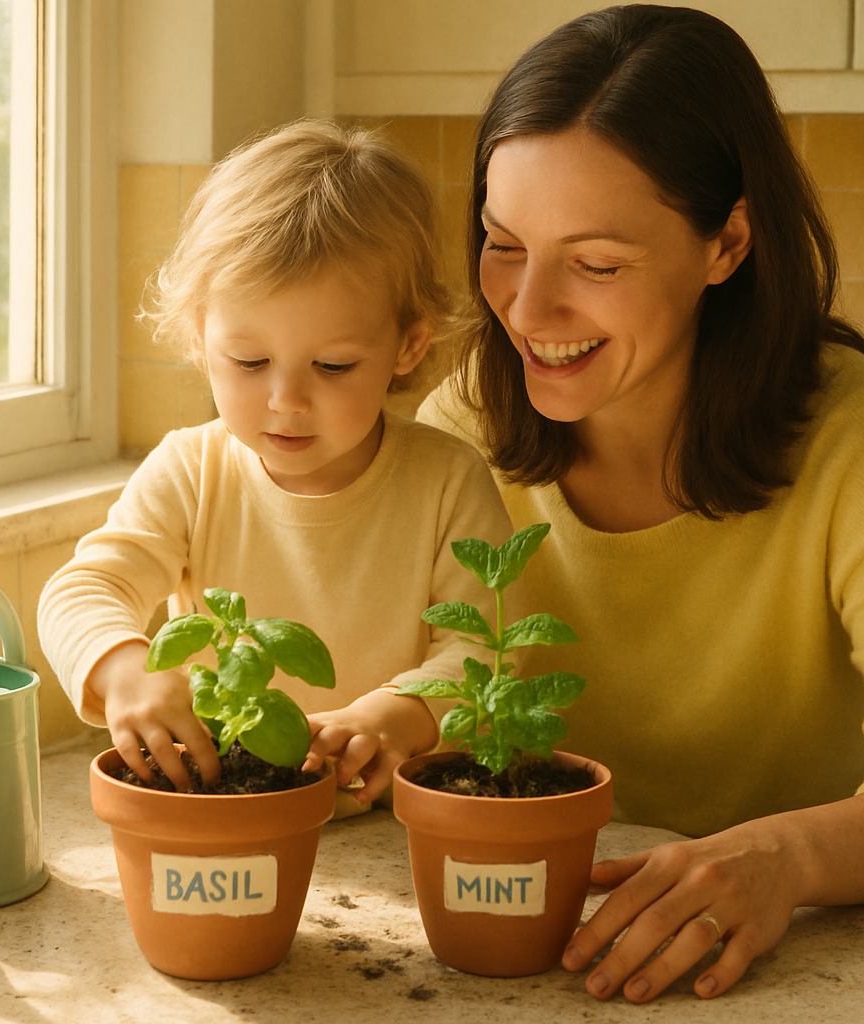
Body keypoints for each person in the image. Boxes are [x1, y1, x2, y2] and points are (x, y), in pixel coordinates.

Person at [418, 3, 864, 1005]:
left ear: (727, 242)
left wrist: (786, 859)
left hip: (792, 969)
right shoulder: (462, 421)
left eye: (595, 263)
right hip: (527, 952)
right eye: (502, 243)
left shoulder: (861, 435)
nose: (526, 307)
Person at [38, 120, 514, 814]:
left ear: (408, 346)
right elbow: (81, 590)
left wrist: (400, 714)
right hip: (222, 815)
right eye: (249, 362)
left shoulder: (447, 483)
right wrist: (123, 669)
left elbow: (486, 652)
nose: (286, 401)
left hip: (391, 830)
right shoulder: (190, 471)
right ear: (202, 338)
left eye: (333, 365)